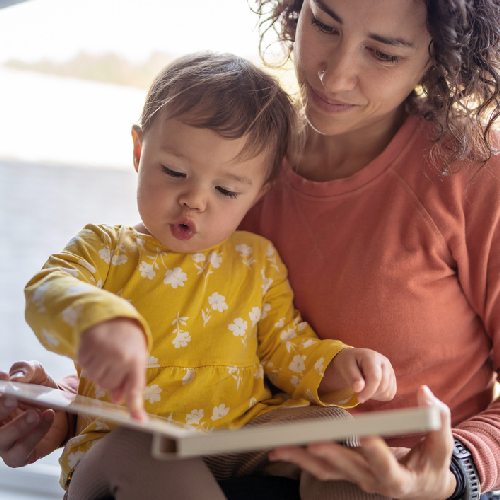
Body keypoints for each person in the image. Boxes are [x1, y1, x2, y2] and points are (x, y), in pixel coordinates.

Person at [2, 0, 500, 498]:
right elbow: (152, 334)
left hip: (351, 469)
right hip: (172, 462)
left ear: (441, 55)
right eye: (323, 23)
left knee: (344, 442)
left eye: (384, 53)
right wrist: (61, 410)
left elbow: (284, 346)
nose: (334, 73)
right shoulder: (236, 158)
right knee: (141, 450)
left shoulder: (477, 175)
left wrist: (454, 469)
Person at [20, 51, 396, 500]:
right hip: (122, 448)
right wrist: (99, 320)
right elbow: (46, 290)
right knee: (140, 449)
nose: (195, 199)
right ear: (140, 152)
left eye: (226, 190)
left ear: (258, 194)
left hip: (236, 437)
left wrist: (339, 368)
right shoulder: (107, 248)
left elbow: (285, 347)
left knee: (333, 428)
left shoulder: (256, 260)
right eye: (174, 172)